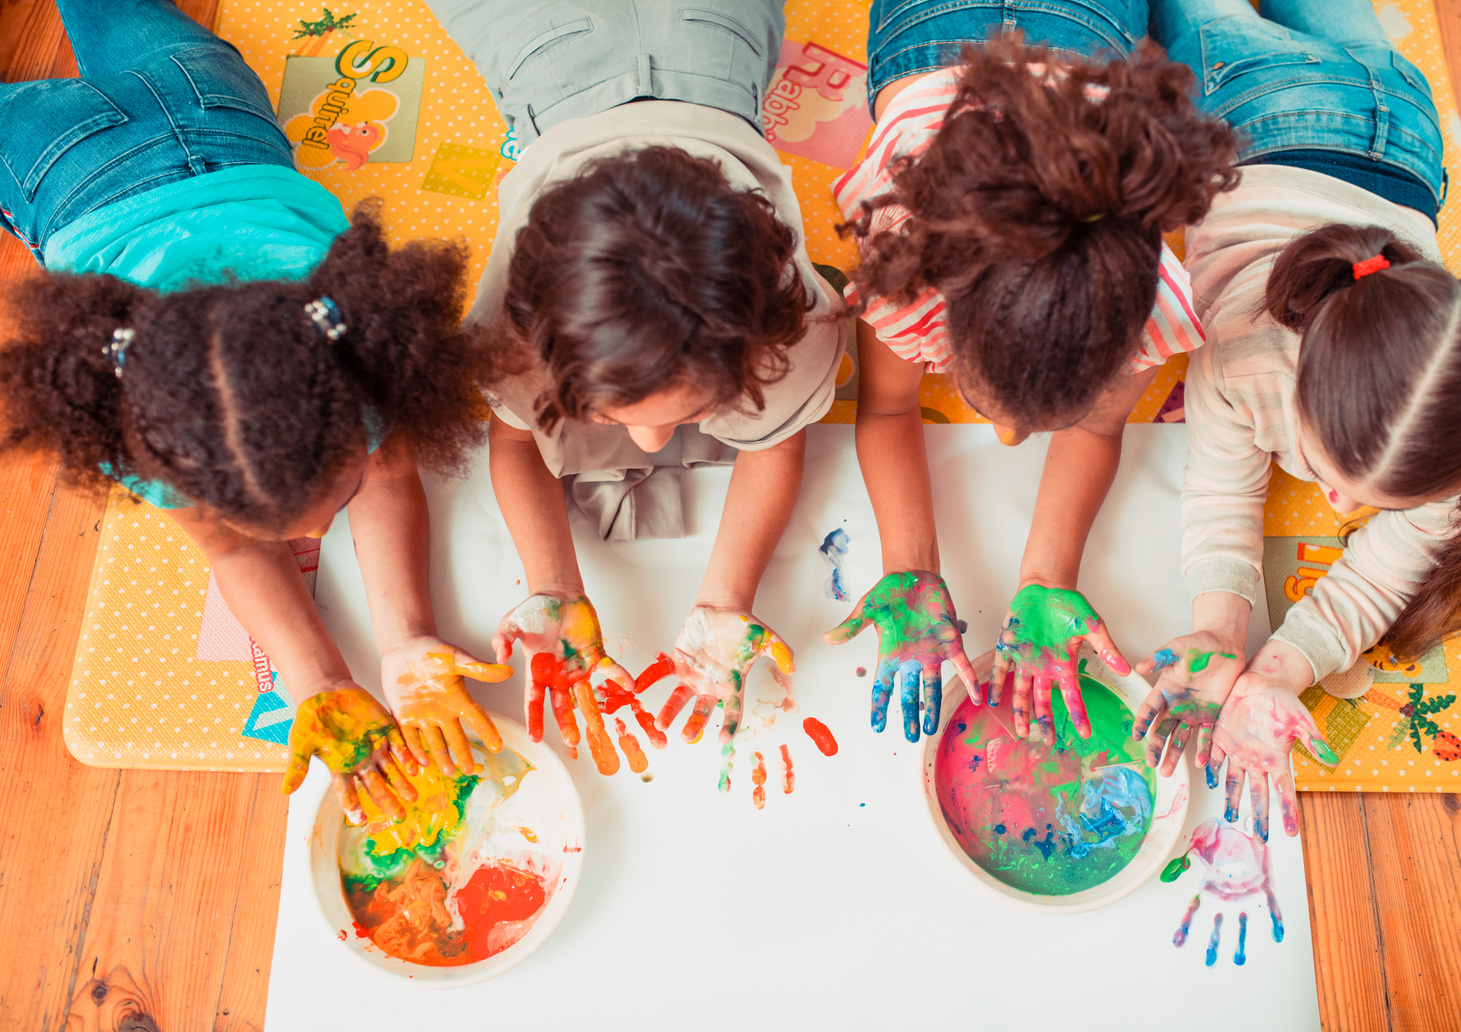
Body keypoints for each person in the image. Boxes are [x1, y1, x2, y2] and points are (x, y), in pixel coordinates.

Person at [0, 0, 510, 824]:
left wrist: (388, 653)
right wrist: (325, 672)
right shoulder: (144, 430)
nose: (310, 542)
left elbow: (367, 492)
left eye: (331, 503)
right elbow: (242, 551)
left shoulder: (347, 357)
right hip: (116, 144)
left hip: (195, 118)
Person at [1136, 0, 1461, 841]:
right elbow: (1220, 488)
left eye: (1365, 497)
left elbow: (1378, 578)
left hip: (1397, 113)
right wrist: (1218, 621)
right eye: (1328, 471)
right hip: (1251, 108)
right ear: (1304, 380)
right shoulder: (1243, 359)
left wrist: (1279, 668)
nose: (1330, 504)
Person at [421, 0, 847, 758]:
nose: (650, 443)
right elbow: (516, 444)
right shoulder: (507, 336)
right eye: (621, 417)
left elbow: (775, 444)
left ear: (760, 349)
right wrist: (554, 586)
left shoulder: (799, 330)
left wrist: (725, 601)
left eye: (691, 410)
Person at [827, 4, 1239, 743]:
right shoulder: (904, 254)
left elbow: (1099, 423)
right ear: (941, 307)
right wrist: (909, 566)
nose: (1010, 438)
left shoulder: (1128, 292)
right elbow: (888, 411)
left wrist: (1047, 578)